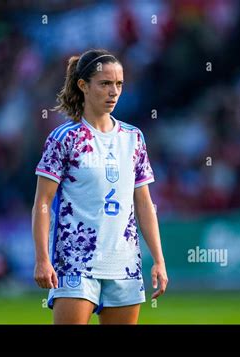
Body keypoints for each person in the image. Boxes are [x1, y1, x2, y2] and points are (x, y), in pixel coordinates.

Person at [31, 49, 168, 324]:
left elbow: (143, 203)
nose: (113, 91)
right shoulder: (64, 139)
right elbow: (43, 202)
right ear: (83, 86)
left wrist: (159, 259)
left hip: (125, 264)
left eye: (118, 84)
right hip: (75, 262)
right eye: (105, 83)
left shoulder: (133, 138)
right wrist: (42, 258)